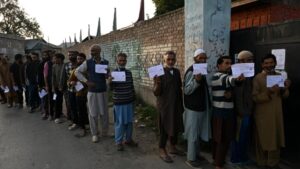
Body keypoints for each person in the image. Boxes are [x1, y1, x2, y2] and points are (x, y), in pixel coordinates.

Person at [252, 53, 290, 169]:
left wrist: (285, 88)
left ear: (275, 63)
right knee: (262, 139)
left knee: (276, 139)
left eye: (271, 63)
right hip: (262, 114)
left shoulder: (279, 76)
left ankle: (273, 163)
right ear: (262, 65)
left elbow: (285, 96)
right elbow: (255, 97)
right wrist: (268, 92)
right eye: (266, 63)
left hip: (277, 114)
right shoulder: (258, 78)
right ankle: (261, 162)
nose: (269, 65)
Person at [211, 56, 244, 169]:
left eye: (230, 63)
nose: (229, 65)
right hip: (223, 113)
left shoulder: (216, 76)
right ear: (219, 65)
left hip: (219, 112)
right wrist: (237, 79)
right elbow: (230, 80)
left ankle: (216, 160)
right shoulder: (221, 76)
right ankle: (218, 164)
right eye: (226, 63)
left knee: (218, 138)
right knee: (223, 139)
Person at [153, 51, 184, 163]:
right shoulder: (159, 72)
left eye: (173, 59)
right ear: (164, 60)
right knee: (164, 127)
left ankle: (173, 147)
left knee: (175, 126)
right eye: (168, 59)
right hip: (164, 106)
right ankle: (162, 149)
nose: (171, 61)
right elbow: (156, 93)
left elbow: (179, 87)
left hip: (176, 104)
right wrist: (157, 83)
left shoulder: (176, 72)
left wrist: (181, 104)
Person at [75, 44, 109, 143]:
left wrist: (108, 74)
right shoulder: (88, 62)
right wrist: (86, 81)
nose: (92, 52)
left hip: (102, 90)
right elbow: (77, 72)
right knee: (93, 113)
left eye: (94, 50)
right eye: (91, 51)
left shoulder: (105, 62)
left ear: (99, 51)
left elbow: (107, 76)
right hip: (92, 92)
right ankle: (94, 133)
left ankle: (104, 132)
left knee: (104, 113)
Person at [183, 49, 211, 168]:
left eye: (205, 58)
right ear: (195, 59)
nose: (203, 60)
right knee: (193, 134)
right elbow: (187, 90)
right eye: (200, 58)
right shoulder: (191, 71)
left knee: (198, 133)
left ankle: (196, 154)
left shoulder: (202, 70)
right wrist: (196, 81)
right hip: (193, 109)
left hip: (201, 107)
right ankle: (190, 158)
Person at [108, 52, 137, 151]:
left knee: (129, 122)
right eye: (120, 60)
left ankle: (128, 139)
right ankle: (118, 142)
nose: (122, 62)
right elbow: (111, 89)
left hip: (129, 102)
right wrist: (110, 82)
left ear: (126, 61)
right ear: (117, 61)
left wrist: (134, 99)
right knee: (120, 123)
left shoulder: (129, 73)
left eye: (124, 60)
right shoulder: (113, 74)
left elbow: (131, 86)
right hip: (119, 103)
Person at [230, 50, 255, 165]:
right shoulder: (236, 74)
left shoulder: (251, 73)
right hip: (241, 112)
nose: (249, 62)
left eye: (250, 59)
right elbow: (238, 95)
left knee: (244, 136)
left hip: (248, 111)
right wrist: (241, 112)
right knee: (238, 136)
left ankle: (243, 157)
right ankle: (236, 160)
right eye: (246, 60)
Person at [68, 53, 89, 137]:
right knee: (81, 110)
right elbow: (69, 81)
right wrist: (72, 82)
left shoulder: (89, 68)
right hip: (79, 93)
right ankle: (82, 127)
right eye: (78, 59)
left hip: (90, 92)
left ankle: (88, 124)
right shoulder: (75, 70)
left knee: (90, 110)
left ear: (85, 59)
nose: (79, 60)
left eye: (81, 59)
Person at [64, 50, 79, 129]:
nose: (70, 56)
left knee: (81, 107)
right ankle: (75, 122)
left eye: (72, 55)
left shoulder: (81, 64)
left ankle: (84, 123)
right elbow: (66, 78)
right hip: (71, 90)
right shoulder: (66, 65)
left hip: (81, 91)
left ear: (77, 55)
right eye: (69, 55)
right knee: (72, 107)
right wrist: (69, 83)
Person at [52, 53, 67, 124]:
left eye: (55, 58)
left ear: (60, 59)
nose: (54, 60)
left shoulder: (65, 65)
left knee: (67, 102)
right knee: (56, 101)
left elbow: (63, 77)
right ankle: (57, 116)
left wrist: (61, 86)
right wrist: (53, 87)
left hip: (65, 87)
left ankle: (69, 116)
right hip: (56, 88)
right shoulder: (54, 66)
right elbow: (53, 77)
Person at [43, 50, 55, 120]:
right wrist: (47, 85)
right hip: (50, 85)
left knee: (55, 99)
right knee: (50, 99)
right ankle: (51, 114)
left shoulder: (57, 64)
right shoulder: (47, 64)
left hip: (56, 86)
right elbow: (45, 76)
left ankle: (56, 113)